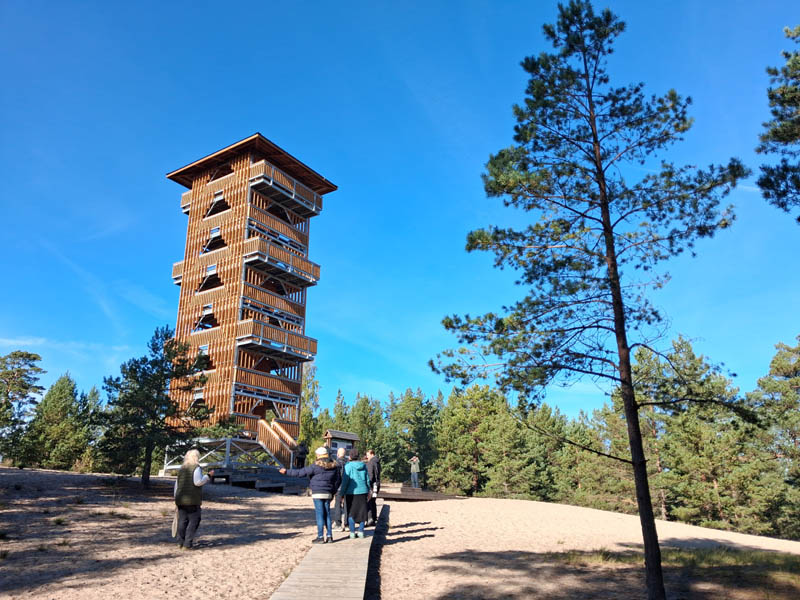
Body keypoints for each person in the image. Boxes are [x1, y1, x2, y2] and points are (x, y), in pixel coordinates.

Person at [280, 446, 341, 543]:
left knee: (320, 515)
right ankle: (329, 536)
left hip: (317, 492)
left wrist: (287, 472)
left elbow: (300, 473)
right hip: (328, 492)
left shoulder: (315, 466)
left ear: (319, 456)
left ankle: (320, 537)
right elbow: (338, 480)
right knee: (327, 515)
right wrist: (332, 491)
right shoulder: (334, 466)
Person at [174, 449, 214, 550]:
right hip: (192, 500)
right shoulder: (196, 468)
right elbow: (198, 482)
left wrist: (176, 498)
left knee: (182, 521)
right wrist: (208, 476)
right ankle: (187, 543)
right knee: (194, 520)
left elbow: (177, 485)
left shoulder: (182, 469)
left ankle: (180, 542)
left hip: (180, 499)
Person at [340, 448, 371, 539]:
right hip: (363, 491)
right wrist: (369, 490)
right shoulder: (364, 465)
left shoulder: (348, 466)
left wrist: (342, 493)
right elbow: (367, 479)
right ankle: (361, 531)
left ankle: (352, 532)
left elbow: (345, 481)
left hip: (351, 492)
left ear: (350, 456)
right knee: (362, 512)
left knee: (351, 512)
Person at [331, 447, 349, 531]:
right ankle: (347, 524)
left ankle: (338, 524)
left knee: (337, 505)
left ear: (338, 454)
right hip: (347, 488)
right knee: (347, 505)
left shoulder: (335, 463)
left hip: (338, 488)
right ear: (345, 454)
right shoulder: (348, 464)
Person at [365, 449, 381, 526]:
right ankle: (374, 517)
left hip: (372, 485)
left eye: (367, 455)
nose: (366, 457)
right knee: (373, 501)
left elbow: (370, 475)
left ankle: (370, 518)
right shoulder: (377, 461)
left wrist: (368, 484)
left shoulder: (371, 462)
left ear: (372, 454)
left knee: (369, 501)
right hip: (377, 484)